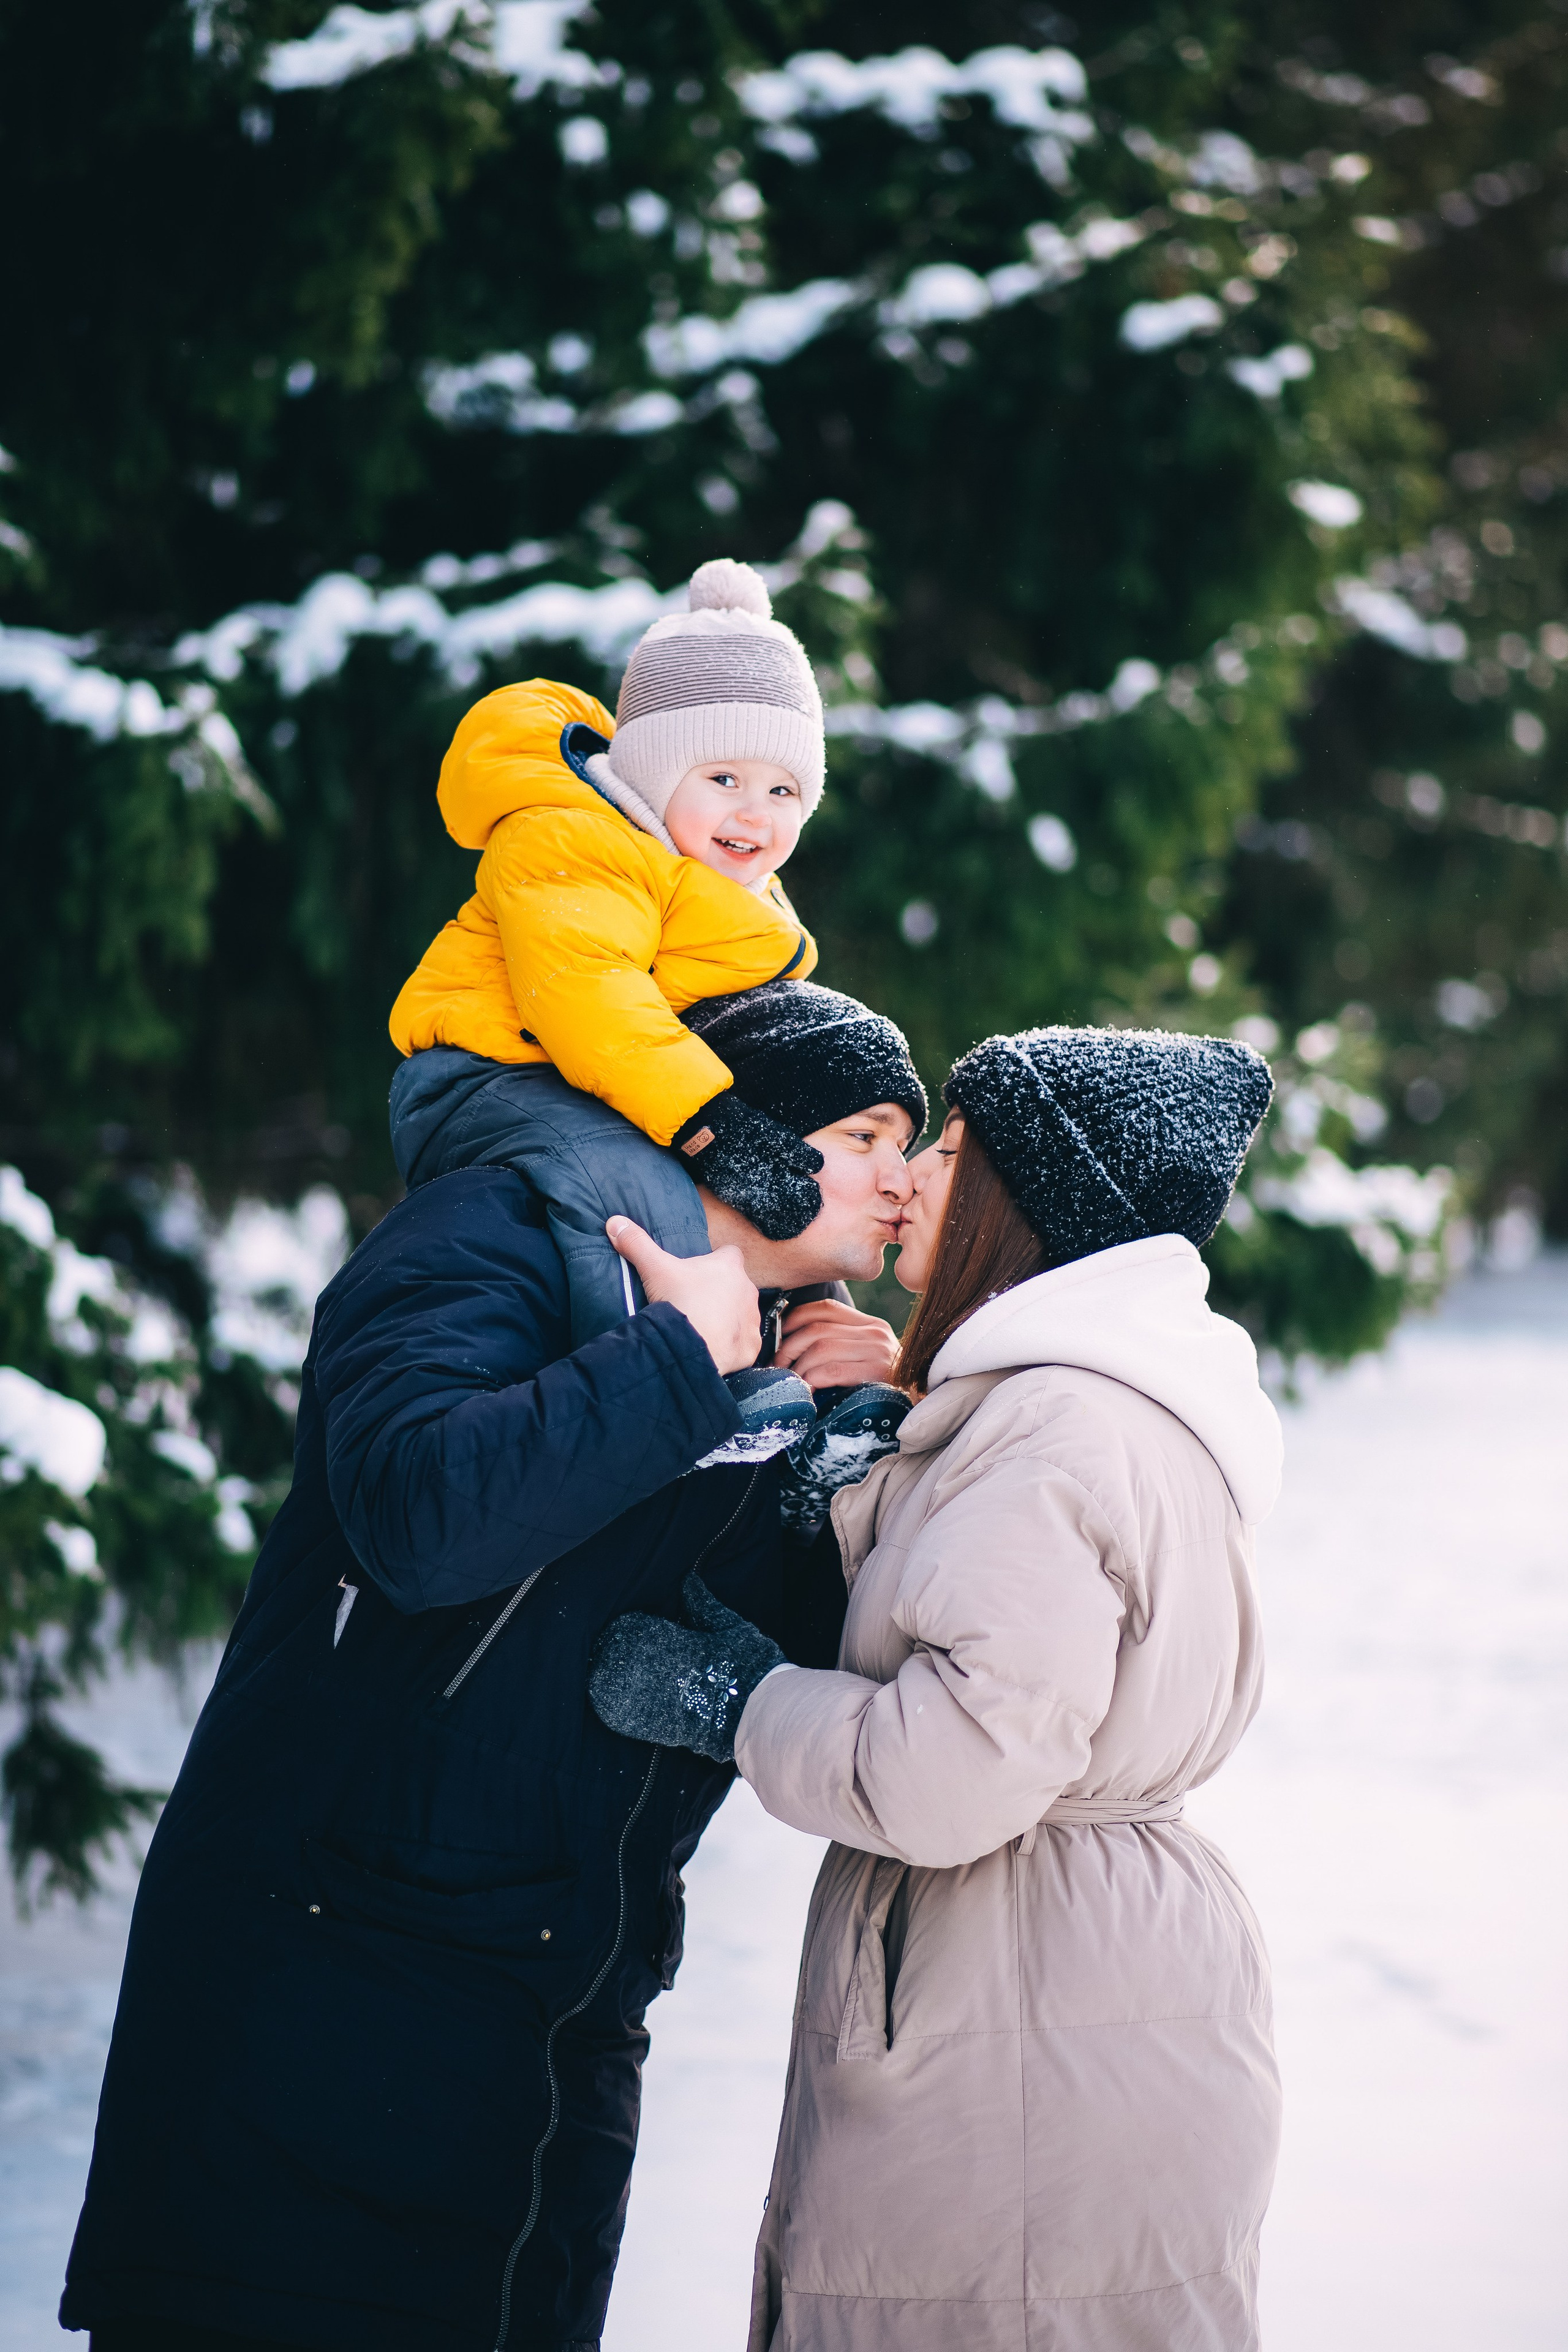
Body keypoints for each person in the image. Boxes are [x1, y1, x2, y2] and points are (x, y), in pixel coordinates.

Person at [59, 980, 925, 2352]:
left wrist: (854, 1445)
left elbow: (755, 1664)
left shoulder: (775, 1356)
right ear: (738, 1130)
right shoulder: (495, 1230)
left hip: (557, 2010)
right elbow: (416, 1515)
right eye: (868, 1134)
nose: (900, 1181)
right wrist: (676, 1357)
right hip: (330, 1984)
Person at [590, 1022, 1286, 2351]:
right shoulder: (1088, 1405)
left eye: (949, 1153)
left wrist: (734, 1703)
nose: (906, 1176)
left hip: (1019, 1997)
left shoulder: (1050, 1430)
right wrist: (875, 1446)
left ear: (1031, 1203)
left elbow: (955, 1766)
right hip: (1076, 1980)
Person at [388, 556, 839, 1457]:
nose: (756, 812)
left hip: (605, 1079)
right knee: (630, 1185)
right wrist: (709, 1122)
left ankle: (815, 1372)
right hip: (487, 1077)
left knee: (790, 1188)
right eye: (723, 779)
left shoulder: (729, 890)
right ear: (653, 770)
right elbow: (587, 993)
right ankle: (667, 1388)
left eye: (783, 789)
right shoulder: (576, 835)